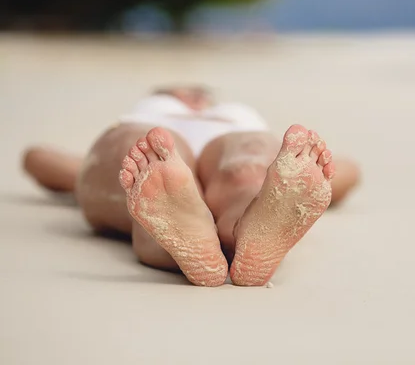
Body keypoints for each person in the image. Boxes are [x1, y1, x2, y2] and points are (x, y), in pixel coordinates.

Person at [22, 86, 360, 287]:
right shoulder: (147, 117)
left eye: (199, 93)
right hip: (152, 136)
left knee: (248, 166)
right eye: (176, 92)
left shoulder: (232, 117)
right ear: (163, 96)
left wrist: (311, 179)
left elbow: (38, 159)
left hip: (224, 138)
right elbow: (38, 158)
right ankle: (210, 225)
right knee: (152, 162)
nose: (191, 96)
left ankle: (238, 230)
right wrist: (326, 174)